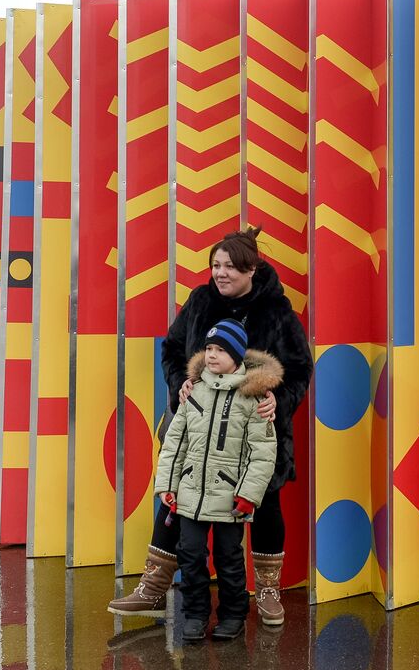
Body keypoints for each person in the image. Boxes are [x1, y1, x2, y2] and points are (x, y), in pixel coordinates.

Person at [108, 227, 312, 626]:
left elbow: (301, 367)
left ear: (251, 268)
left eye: (230, 267)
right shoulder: (200, 302)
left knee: (265, 505)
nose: (220, 274)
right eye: (215, 265)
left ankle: (268, 590)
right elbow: (170, 349)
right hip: (197, 433)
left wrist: (279, 399)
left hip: (253, 437)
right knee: (176, 504)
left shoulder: (277, 312)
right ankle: (153, 586)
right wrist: (179, 383)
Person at [153, 319, 280, 641]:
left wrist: (248, 495)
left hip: (229, 498)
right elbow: (175, 442)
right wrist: (167, 484)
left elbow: (263, 453)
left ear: (236, 356)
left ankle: (233, 615)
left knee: (229, 558)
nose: (211, 355)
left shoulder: (254, 399)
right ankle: (195, 614)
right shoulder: (194, 391)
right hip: (190, 494)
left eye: (220, 350)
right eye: (208, 348)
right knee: (191, 554)